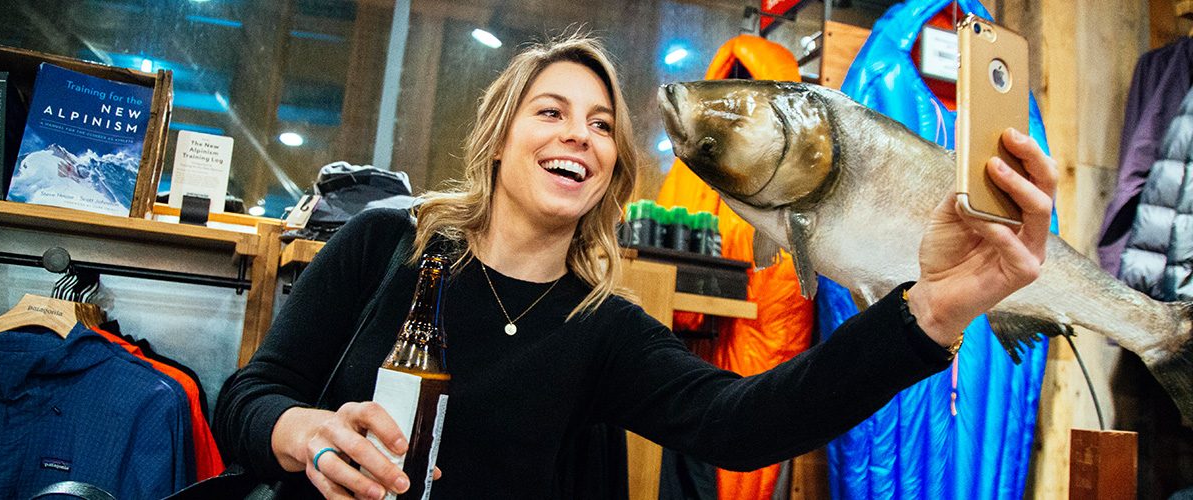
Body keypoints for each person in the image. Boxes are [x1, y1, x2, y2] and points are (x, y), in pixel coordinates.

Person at [213, 33, 1058, 499]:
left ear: (611, 172)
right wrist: (304, 435)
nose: (578, 133)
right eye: (551, 111)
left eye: (601, 125)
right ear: (501, 138)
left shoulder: (602, 329)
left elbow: (745, 422)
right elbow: (249, 397)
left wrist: (932, 314)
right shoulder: (388, 245)